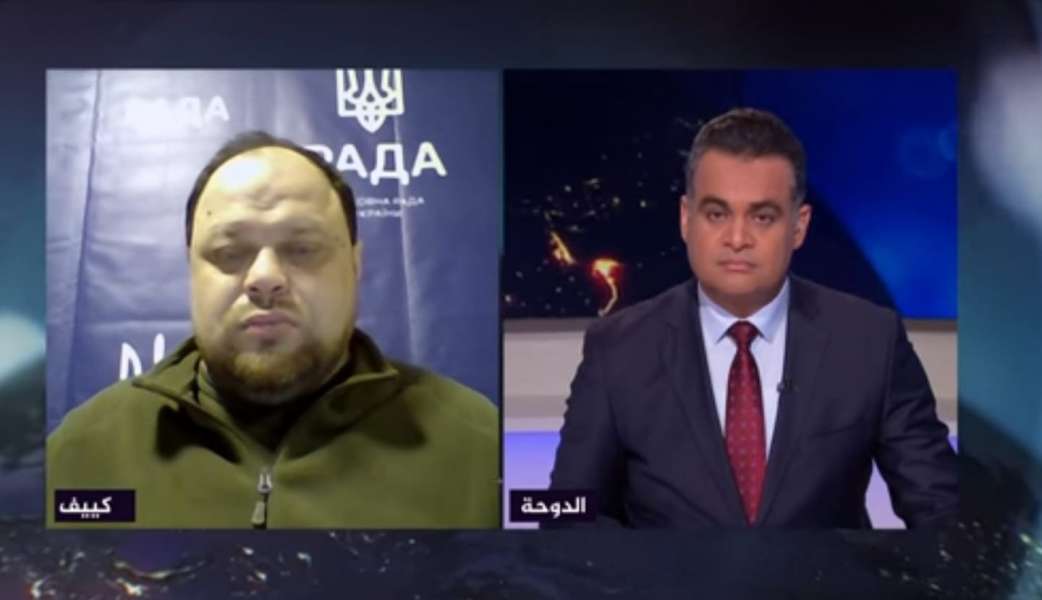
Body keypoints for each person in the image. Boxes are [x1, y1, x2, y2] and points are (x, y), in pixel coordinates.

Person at [47, 131, 499, 528]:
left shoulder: (480, 450)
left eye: (302, 248)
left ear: (355, 266)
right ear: (191, 272)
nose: (264, 277)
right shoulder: (83, 453)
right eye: (229, 252)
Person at [548, 108, 958, 528]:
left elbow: (942, 509)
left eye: (762, 217)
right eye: (717, 214)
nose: (737, 238)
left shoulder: (870, 340)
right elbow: (557, 508)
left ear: (798, 227)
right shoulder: (617, 347)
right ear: (686, 218)